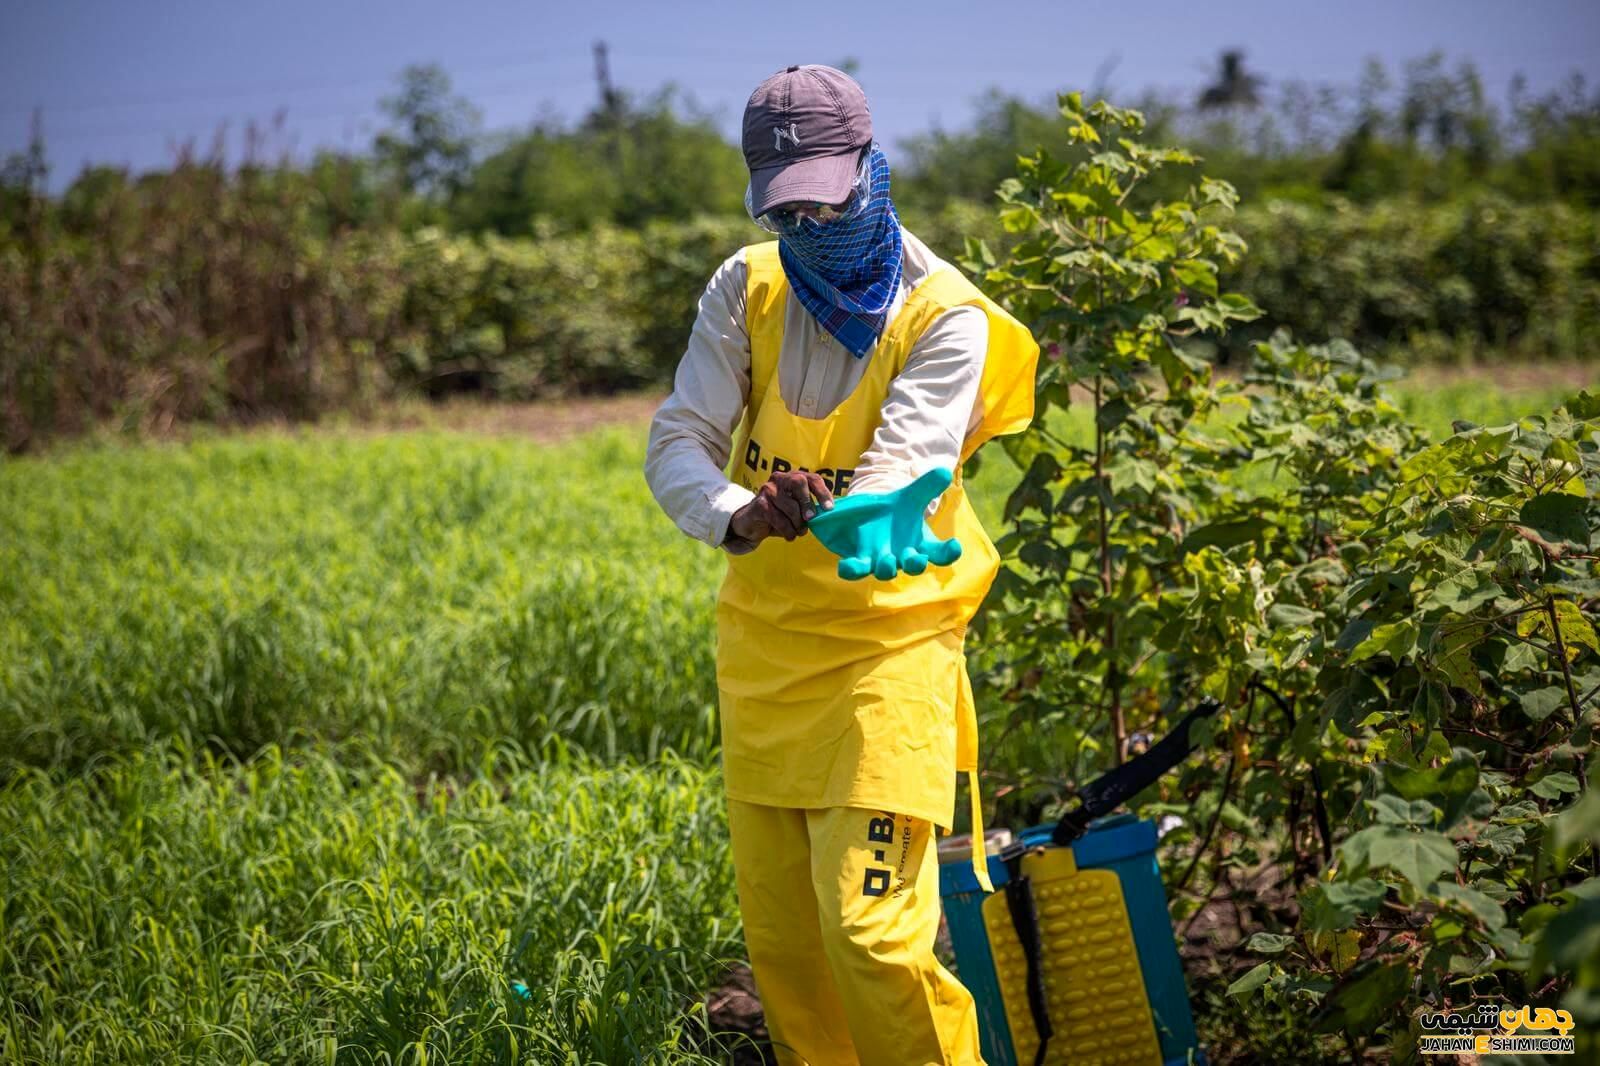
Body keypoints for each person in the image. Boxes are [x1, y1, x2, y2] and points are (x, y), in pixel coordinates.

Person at [644, 63, 1038, 1065]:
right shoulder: (748, 286)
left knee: (871, 936)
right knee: (789, 951)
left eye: (830, 201)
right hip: (767, 660)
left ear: (871, 168)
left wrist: (837, 509)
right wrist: (741, 510)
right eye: (790, 212)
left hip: (887, 656)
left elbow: (903, 465)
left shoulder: (944, 317)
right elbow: (678, 440)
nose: (812, 228)